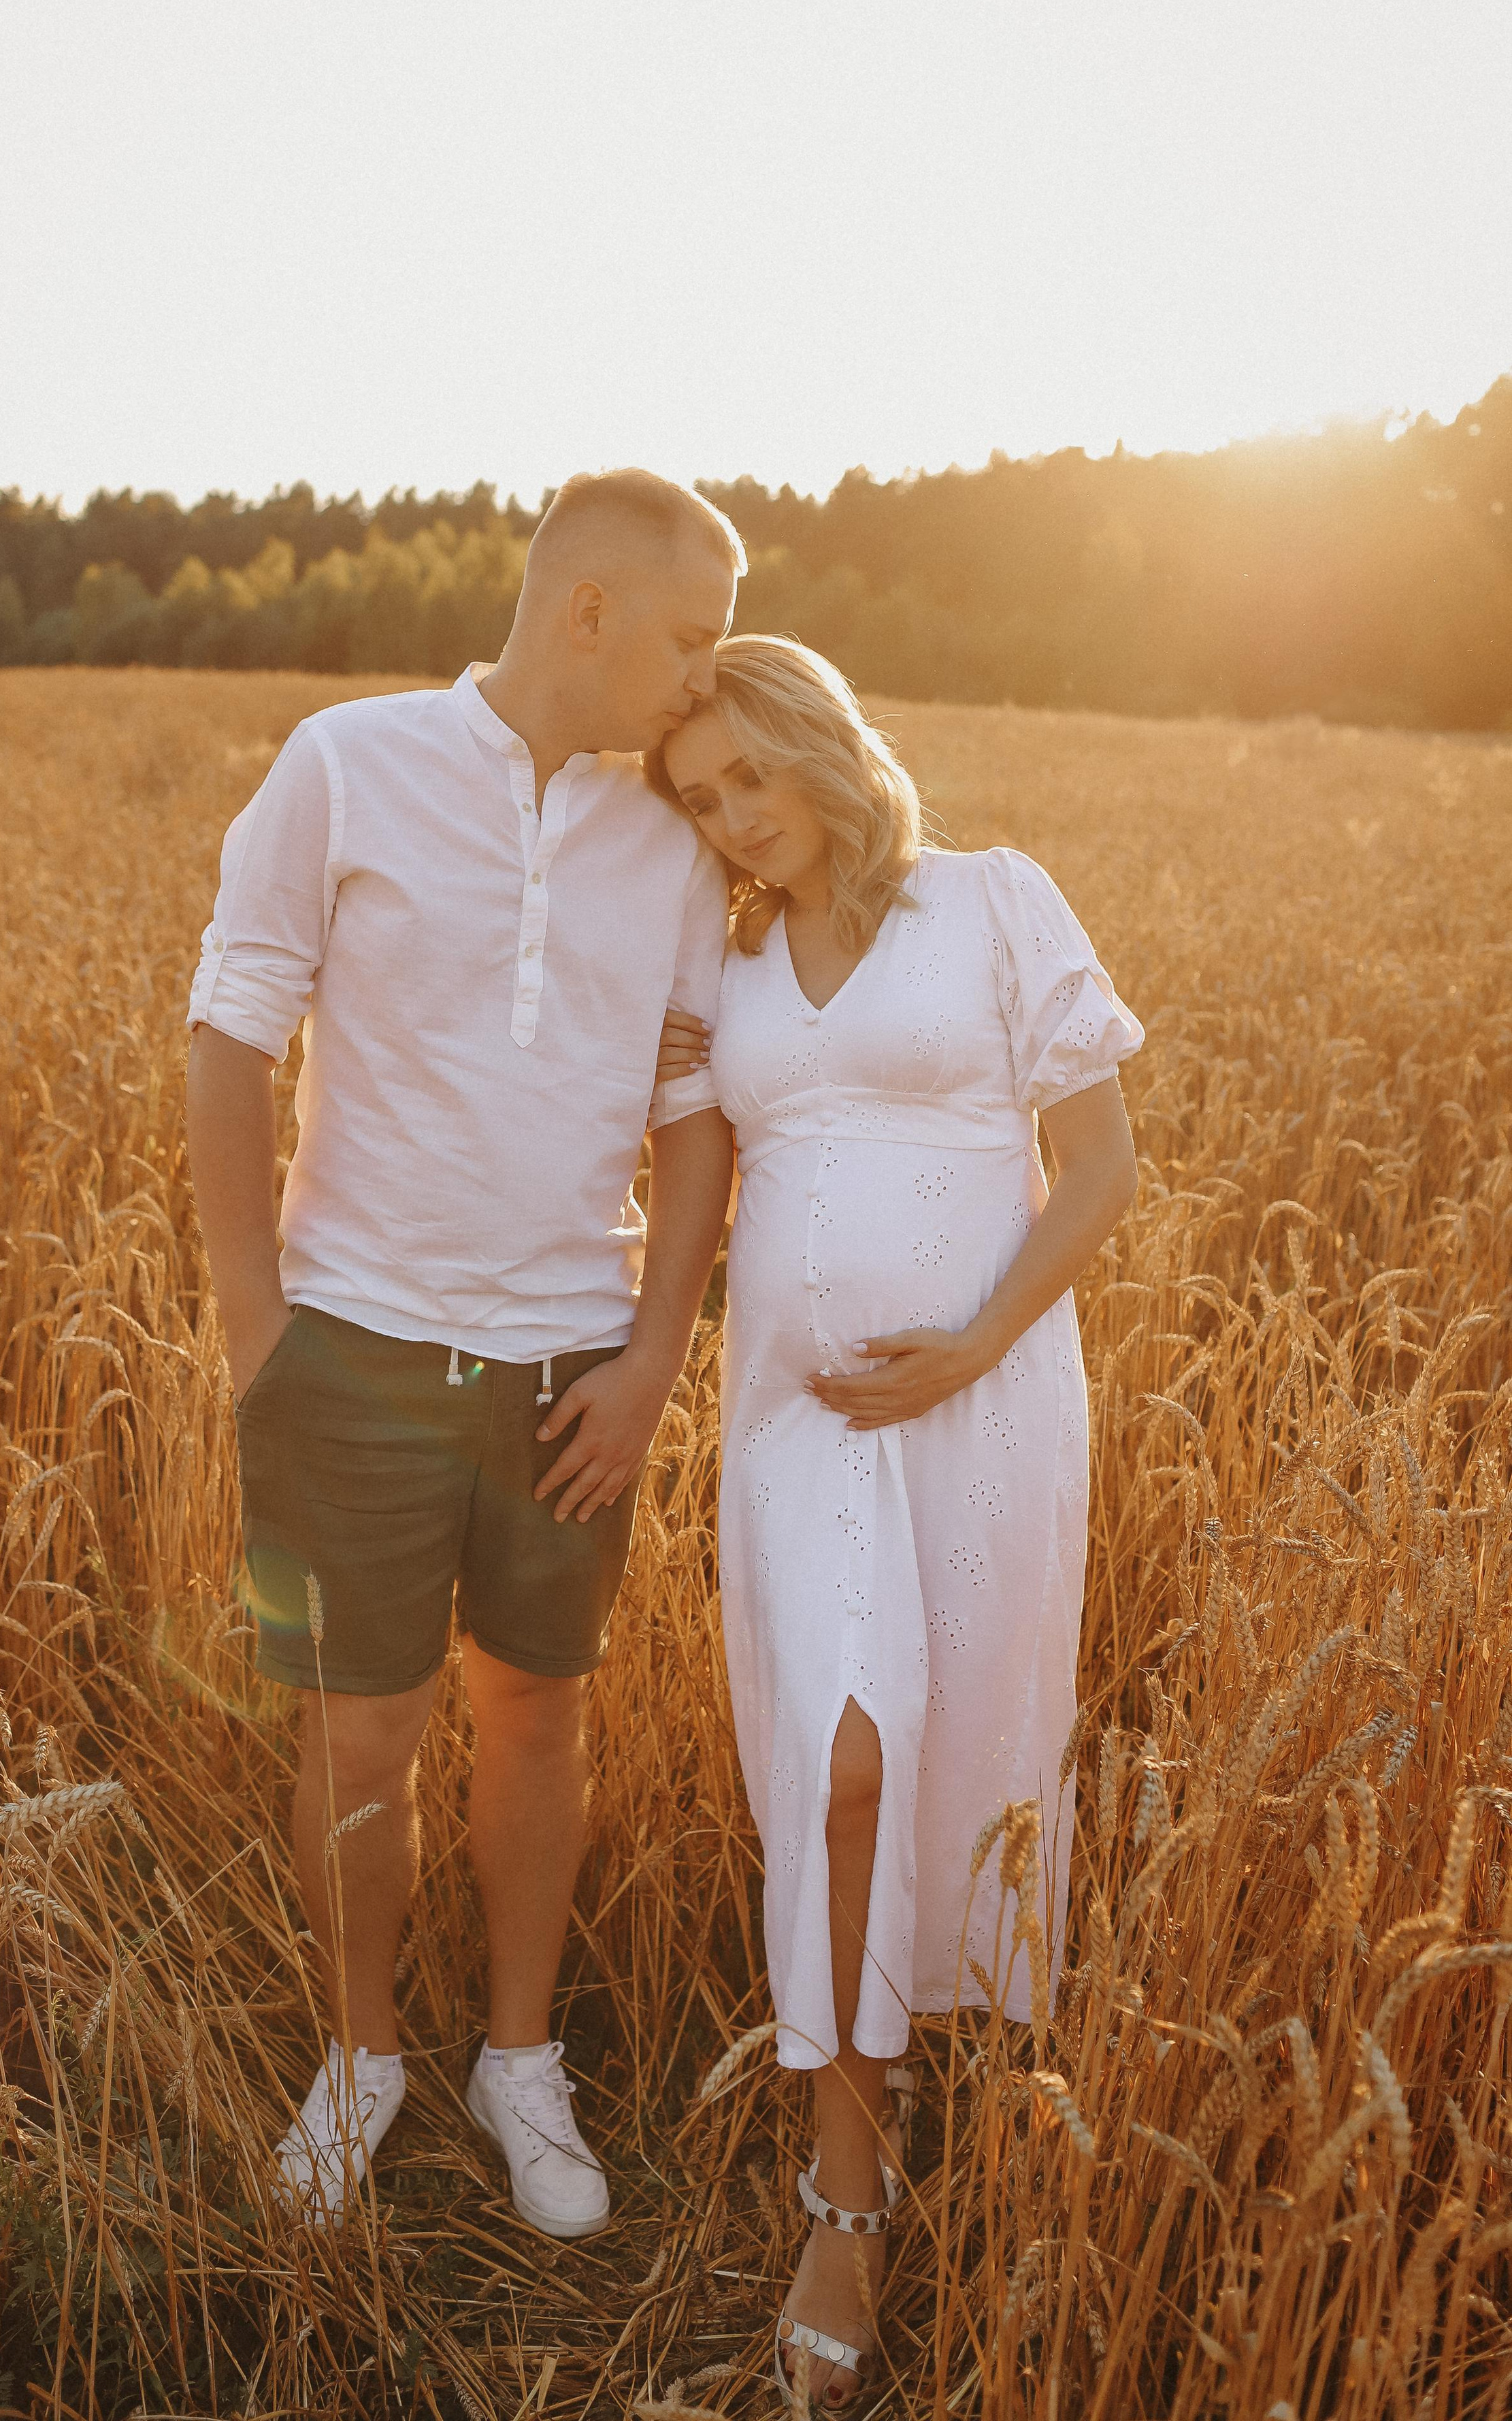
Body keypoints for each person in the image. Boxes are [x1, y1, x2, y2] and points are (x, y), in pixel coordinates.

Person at [186, 469, 738, 2239]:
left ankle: (516, 2061)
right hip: (350, 1349)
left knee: (541, 1716)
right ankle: (360, 2061)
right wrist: (259, 1329)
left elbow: (693, 1115)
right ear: (585, 608)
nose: (702, 677)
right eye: (687, 634)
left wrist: (656, 1359)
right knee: (361, 1743)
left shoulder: (675, 833)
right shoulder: (345, 763)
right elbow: (228, 1035)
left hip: (568, 1363)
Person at [651, 637, 1142, 2413]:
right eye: (703, 803)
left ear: (820, 746)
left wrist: (974, 1347)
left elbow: (1099, 1169)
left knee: (955, 1775)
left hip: (989, 1405)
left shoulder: (998, 906)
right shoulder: (726, 952)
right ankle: (842, 2197)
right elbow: (686, 1164)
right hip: (798, 1425)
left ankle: (924, 2076)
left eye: (748, 781)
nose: (735, 823)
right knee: (842, 1765)